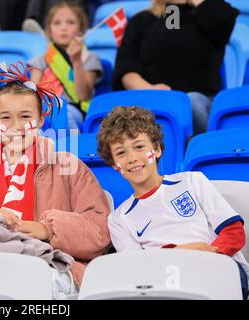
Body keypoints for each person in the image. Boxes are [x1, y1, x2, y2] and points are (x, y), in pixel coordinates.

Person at [0, 61, 111, 298]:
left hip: (52, 267)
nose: (15, 126)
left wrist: (47, 229)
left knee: (29, 284)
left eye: (25, 116)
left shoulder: (70, 168)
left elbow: (99, 232)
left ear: (41, 119)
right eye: (6, 117)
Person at [97, 105, 249, 299]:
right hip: (165, 282)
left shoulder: (192, 181)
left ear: (157, 149)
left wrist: (209, 258)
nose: (132, 158)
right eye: (121, 153)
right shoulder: (118, 219)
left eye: (139, 147)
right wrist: (182, 252)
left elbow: (233, 232)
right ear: (114, 165)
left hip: (219, 267)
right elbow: (136, 267)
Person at [112, 0, 239, 135]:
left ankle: (201, 148)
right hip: (152, 99)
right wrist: (150, 90)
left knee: (191, 102)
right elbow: (126, 69)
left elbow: (223, 19)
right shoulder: (142, 21)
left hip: (199, 102)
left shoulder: (212, 12)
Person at [28, 0, 103, 130]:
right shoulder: (39, 61)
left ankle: (72, 147)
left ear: (81, 30)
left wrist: (77, 61)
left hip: (72, 110)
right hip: (44, 109)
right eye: (57, 23)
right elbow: (31, 94)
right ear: (49, 30)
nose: (64, 28)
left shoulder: (90, 58)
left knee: (65, 117)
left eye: (71, 22)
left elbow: (83, 95)